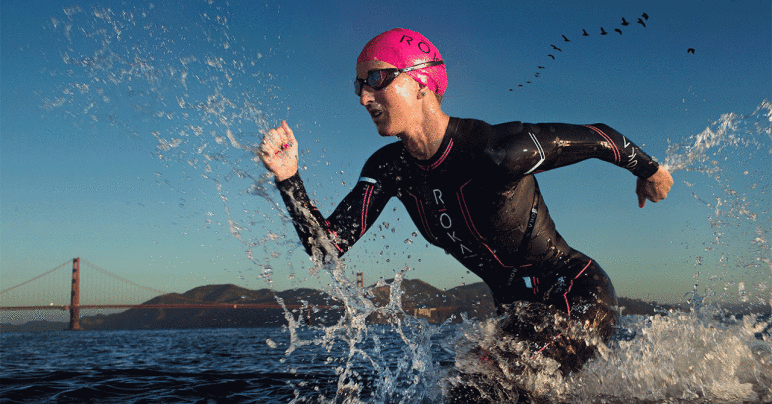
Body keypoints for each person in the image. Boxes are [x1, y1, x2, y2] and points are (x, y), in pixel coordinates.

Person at [257, 27, 673, 397]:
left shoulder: (496, 151)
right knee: (464, 390)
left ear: (421, 81)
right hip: (517, 314)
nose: (365, 96)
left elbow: (601, 137)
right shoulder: (389, 169)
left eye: (377, 79)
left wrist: (650, 170)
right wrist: (289, 178)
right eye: (358, 85)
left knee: (481, 392)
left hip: (577, 295)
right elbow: (327, 247)